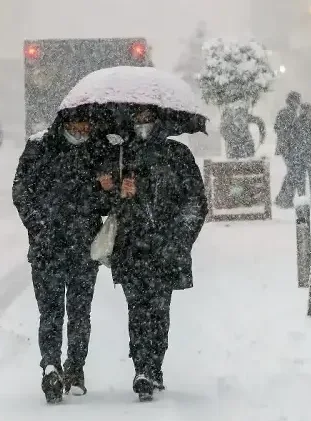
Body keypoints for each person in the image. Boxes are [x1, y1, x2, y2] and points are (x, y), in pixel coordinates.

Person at [99, 105, 207, 401]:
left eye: (148, 119)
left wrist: (179, 238)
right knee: (137, 309)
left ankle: (154, 366)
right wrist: (117, 193)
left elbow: (195, 202)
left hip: (165, 247)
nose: (143, 125)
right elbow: (106, 205)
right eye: (138, 119)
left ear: (159, 121)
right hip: (131, 247)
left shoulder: (178, 155)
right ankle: (142, 368)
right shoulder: (121, 155)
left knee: (159, 311)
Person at [12, 106, 110, 404]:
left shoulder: (97, 150)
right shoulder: (39, 147)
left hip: (83, 247)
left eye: (86, 127)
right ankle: (52, 366)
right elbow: (21, 192)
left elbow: (105, 205)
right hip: (47, 248)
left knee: (79, 313)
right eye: (78, 126)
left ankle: (75, 368)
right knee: (52, 312)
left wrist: (105, 188)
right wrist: (39, 226)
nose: (83, 132)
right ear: (65, 122)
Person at [273, 92, 302, 208]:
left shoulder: (291, 113)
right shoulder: (287, 113)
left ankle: (282, 197)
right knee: (294, 173)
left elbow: (277, 127)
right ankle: (286, 199)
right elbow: (279, 129)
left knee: (292, 172)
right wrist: (289, 135)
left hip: (289, 147)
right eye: (297, 100)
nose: (298, 103)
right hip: (288, 147)